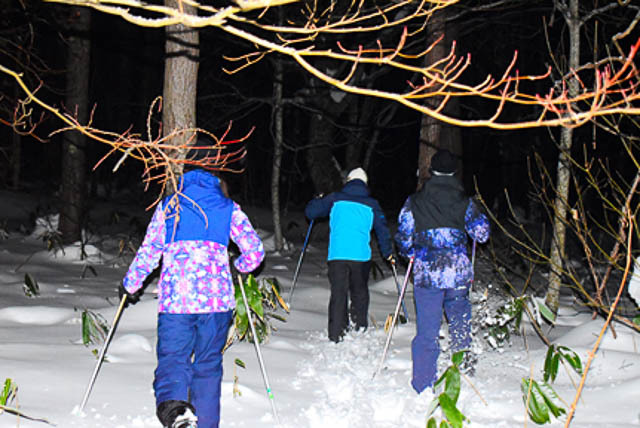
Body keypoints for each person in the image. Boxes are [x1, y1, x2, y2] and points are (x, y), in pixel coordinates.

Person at [119, 167, 264, 428]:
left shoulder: (170, 206)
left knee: (174, 358)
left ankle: (177, 413)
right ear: (217, 178)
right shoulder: (228, 207)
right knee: (208, 365)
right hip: (217, 303)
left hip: (177, 301)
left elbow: (150, 249)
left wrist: (131, 283)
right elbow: (254, 252)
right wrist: (238, 266)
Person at [395, 149, 489, 394]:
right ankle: (463, 371)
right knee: (459, 321)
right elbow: (482, 233)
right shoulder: (465, 202)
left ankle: (424, 383)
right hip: (457, 272)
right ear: (454, 172)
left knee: (427, 329)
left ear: (431, 171)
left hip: (428, 273)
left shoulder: (414, 201)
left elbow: (404, 234)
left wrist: (409, 252)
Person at [305, 167, 394, 343]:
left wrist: (318, 199)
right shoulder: (372, 204)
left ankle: (336, 333)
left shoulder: (335, 198)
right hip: (360, 256)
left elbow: (311, 213)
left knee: (338, 293)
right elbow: (382, 231)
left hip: (337, 255)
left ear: (348, 181)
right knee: (359, 292)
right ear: (365, 184)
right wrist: (388, 252)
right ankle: (359, 327)